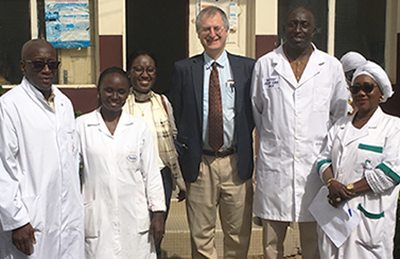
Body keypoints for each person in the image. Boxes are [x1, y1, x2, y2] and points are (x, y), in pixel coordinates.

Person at [250, 6, 348, 259]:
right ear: (284, 29)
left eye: (304, 25)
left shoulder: (330, 66)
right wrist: (277, 140)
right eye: (292, 24)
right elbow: (258, 112)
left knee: (313, 244)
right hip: (275, 167)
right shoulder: (265, 65)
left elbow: (339, 116)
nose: (298, 30)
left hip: (315, 169)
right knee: (272, 244)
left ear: (313, 30)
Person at [170, 6, 255, 259]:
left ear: (227, 31)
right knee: (201, 237)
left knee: (238, 236)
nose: (212, 33)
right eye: (206, 29)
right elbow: (177, 114)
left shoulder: (247, 68)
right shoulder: (184, 69)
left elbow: (255, 112)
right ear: (198, 34)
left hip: (235, 162)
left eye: (217, 28)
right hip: (200, 163)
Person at [0, 39, 84, 258]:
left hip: (68, 216)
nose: (46, 70)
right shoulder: (9, 106)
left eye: (52, 64)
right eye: (38, 64)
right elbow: (3, 168)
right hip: (31, 217)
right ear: (23, 67)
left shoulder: (64, 104)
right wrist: (16, 220)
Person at [76, 67, 165, 258]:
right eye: (109, 90)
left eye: (121, 91)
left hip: (134, 217)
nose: (114, 96)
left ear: (128, 93)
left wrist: (158, 213)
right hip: (97, 217)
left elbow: (151, 173)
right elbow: (69, 172)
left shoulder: (139, 128)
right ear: (98, 91)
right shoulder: (82, 126)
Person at [316, 61, 399, 258]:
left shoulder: (393, 127)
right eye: (356, 88)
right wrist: (331, 182)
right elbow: (322, 159)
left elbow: (391, 173)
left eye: (368, 88)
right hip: (334, 216)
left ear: (381, 93)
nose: (361, 93)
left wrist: (348, 190)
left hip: (368, 221)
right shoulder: (340, 125)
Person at [123, 50, 185, 258]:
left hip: (160, 178)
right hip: (130, 178)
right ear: (129, 72)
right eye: (138, 69)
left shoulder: (162, 102)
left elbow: (173, 135)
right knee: (130, 231)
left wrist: (178, 178)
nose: (144, 74)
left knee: (156, 232)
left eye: (150, 70)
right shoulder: (120, 104)